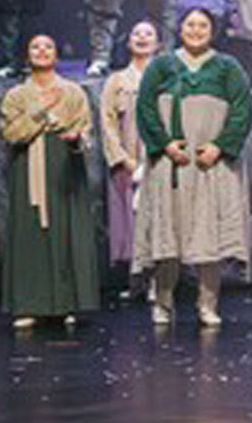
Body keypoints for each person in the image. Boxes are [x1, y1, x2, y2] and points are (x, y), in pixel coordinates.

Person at [134, 7, 252, 327]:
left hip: (210, 164)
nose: (196, 30)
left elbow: (242, 111)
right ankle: (163, 303)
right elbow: (145, 108)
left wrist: (219, 146)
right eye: (190, 24)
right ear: (180, 28)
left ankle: (207, 305)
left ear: (212, 31)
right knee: (167, 232)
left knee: (208, 233)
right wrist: (164, 144)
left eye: (203, 25)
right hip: (171, 163)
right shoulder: (162, 66)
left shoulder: (228, 68)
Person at [0, 34, 100, 328]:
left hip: (64, 165)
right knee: (30, 233)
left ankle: (68, 303)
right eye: (35, 46)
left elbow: (85, 130)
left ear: (56, 55)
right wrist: (41, 111)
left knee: (67, 231)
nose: (41, 51)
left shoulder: (73, 92)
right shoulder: (16, 95)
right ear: (27, 55)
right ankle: (29, 303)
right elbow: (11, 133)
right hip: (28, 164)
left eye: (48, 47)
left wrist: (76, 139)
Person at [99, 20, 159, 298]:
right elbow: (108, 123)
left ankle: (158, 279)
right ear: (128, 41)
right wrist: (122, 159)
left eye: (148, 34)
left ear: (157, 43)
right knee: (128, 218)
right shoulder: (117, 81)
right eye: (136, 33)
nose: (142, 38)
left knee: (159, 219)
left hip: (159, 159)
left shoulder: (166, 77)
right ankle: (135, 279)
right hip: (128, 160)